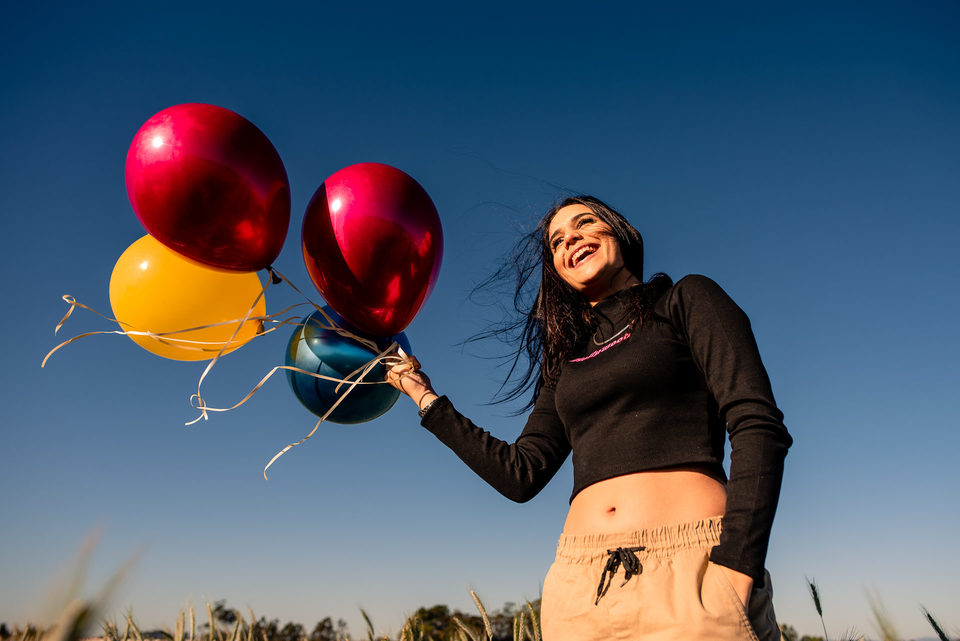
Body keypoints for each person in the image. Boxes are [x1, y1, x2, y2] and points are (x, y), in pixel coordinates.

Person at [386, 195, 792, 640]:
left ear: (620, 232)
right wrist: (423, 396)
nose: (570, 239)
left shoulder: (685, 299)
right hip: (580, 588)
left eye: (584, 223)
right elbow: (521, 475)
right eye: (557, 241)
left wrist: (736, 569)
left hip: (692, 569)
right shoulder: (565, 361)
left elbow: (757, 424)